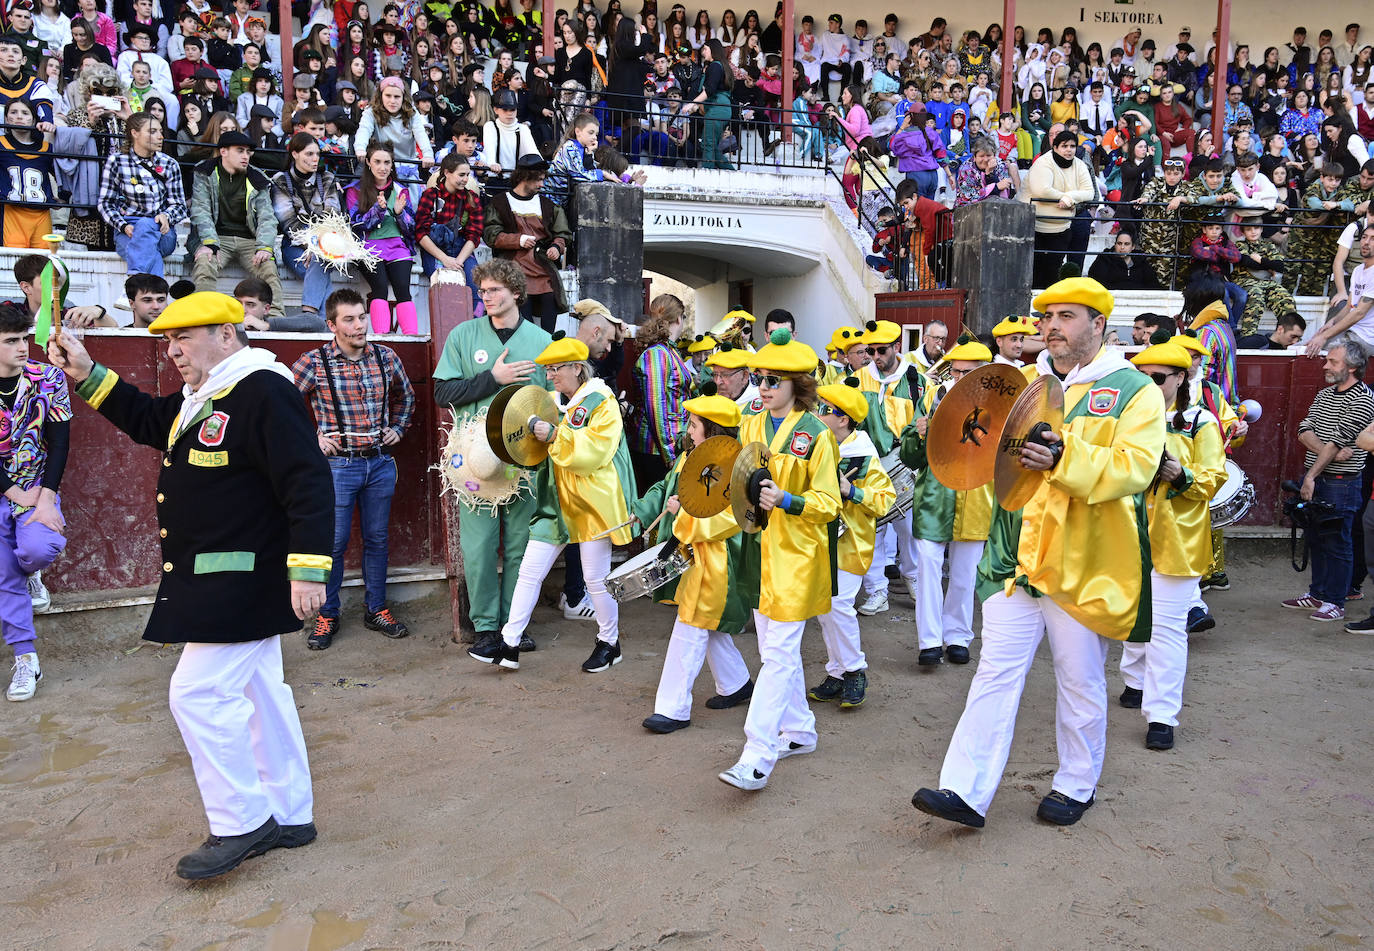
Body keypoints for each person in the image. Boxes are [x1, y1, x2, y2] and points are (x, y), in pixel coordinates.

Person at [46, 292, 331, 879]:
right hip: (222, 574)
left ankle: (241, 821)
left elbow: (307, 481)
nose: (172, 350)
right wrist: (87, 373)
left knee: (196, 695)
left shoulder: (263, 389)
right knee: (260, 696)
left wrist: (308, 570)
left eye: (184, 338)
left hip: (244, 578)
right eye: (167, 340)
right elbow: (152, 421)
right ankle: (289, 812)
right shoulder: (211, 391)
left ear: (226, 335)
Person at [911, 277, 1166, 829]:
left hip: (1083, 562)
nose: (1050, 325)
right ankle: (963, 789)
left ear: (1100, 324)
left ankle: (1076, 784)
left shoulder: (1134, 390)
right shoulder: (1025, 383)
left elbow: (1136, 469)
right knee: (994, 673)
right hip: (1014, 557)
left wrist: (1062, 456)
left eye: (1066, 316)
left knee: (1079, 679)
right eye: (1045, 315)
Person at [469, 331, 637, 673]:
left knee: (595, 579)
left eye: (555, 369)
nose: (549, 376)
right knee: (530, 571)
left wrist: (555, 435)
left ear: (577, 368)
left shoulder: (601, 402)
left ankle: (609, 641)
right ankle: (509, 643)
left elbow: (593, 453)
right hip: (557, 500)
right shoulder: (556, 401)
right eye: (547, 370)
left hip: (591, 502)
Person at [718, 328, 840, 792]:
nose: (764, 386)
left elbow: (830, 502)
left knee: (779, 655)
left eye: (774, 379)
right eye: (760, 377)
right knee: (774, 652)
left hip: (797, 557)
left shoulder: (817, 435)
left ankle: (757, 752)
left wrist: (789, 500)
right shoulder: (751, 422)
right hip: (758, 553)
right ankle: (802, 730)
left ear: (797, 384)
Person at [433, 259, 551, 656]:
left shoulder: (541, 342)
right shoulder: (464, 335)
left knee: (521, 545)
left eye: (495, 289)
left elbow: (553, 403)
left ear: (516, 292)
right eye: (482, 290)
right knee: (480, 547)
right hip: (474, 463)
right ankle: (485, 626)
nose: (487, 296)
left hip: (525, 461)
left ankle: (514, 624)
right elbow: (441, 393)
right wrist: (491, 380)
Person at [291, 288, 415, 650]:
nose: (360, 325)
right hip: (336, 467)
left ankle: (377, 609)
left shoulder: (386, 357)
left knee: (377, 540)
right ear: (332, 324)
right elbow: (281, 404)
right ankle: (327, 614)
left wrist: (399, 427)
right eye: (349, 319)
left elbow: (405, 397)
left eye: (362, 316)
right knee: (333, 543)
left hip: (378, 462)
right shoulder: (314, 362)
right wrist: (313, 436)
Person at [1121, 336, 1226, 751]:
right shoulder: (1128, 420)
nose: (1150, 385)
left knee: (1166, 629)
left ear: (1182, 378)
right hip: (1128, 531)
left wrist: (1181, 475)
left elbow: (1214, 476)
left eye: (1158, 378)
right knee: (1131, 613)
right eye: (1142, 378)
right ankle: (1133, 682)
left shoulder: (1201, 422)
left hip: (1177, 538)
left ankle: (1161, 714)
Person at [634, 381, 753, 732]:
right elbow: (679, 494)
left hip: (718, 560)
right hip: (699, 555)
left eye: (694, 425)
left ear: (713, 431)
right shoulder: (696, 458)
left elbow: (727, 519)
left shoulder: (735, 468)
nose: (688, 431)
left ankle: (673, 709)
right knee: (705, 625)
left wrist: (681, 515)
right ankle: (736, 683)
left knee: (690, 625)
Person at [901, 338, 997, 667]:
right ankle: (929, 641)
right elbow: (910, 457)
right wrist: (920, 434)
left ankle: (957, 636)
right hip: (934, 497)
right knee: (927, 564)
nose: (959, 379)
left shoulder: (1001, 408)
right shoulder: (931, 398)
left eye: (967, 373)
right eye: (955, 372)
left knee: (964, 574)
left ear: (983, 374)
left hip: (977, 499)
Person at [809, 377, 894, 709]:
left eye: (824, 409)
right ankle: (837, 671)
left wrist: (852, 491)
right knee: (825, 610)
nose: (817, 413)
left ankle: (856, 669)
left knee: (840, 606)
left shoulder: (863, 454)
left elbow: (885, 500)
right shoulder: (820, 445)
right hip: (820, 542)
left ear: (843, 418)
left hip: (850, 544)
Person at [0, 303, 69, 701]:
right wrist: (13, 493)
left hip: (37, 483)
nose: (23, 347)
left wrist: (46, 497)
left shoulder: (48, 377)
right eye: (11, 341)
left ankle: (33, 571)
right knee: (5, 572)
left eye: (24, 338)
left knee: (41, 548)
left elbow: (60, 441)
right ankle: (26, 659)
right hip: (6, 489)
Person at [1283, 335, 1374, 623]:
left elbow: (1342, 439)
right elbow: (1303, 428)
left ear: (1351, 367)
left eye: (1332, 361)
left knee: (1337, 541)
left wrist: (1311, 473)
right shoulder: (1325, 394)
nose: (1324, 365)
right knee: (1316, 537)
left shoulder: (1363, 398)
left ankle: (1335, 600)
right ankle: (1318, 594)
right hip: (1326, 475)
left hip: (1341, 482)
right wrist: (1329, 453)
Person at [854, 319, 922, 618]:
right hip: (870, 465)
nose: (875, 356)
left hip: (905, 464)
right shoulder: (857, 380)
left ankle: (914, 578)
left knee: (909, 529)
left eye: (881, 350)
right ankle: (876, 591)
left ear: (897, 347)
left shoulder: (917, 380)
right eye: (870, 350)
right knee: (873, 531)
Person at [189, 130, 287, 320]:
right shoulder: (205, 171)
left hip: (248, 240)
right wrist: (210, 243)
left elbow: (268, 217)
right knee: (205, 262)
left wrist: (264, 246)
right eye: (240, 151)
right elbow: (200, 211)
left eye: (248, 152)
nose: (246, 156)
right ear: (223, 151)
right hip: (218, 239)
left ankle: (276, 318)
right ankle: (204, 317)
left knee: (268, 267)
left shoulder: (257, 177)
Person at [483, 154, 571, 332]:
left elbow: (562, 233)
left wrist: (556, 246)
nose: (541, 185)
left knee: (550, 301)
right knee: (524, 312)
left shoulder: (548, 205)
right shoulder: (500, 202)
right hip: (514, 266)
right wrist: (518, 240)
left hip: (541, 265)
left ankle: (548, 348)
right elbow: (491, 235)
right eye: (538, 180)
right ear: (524, 178)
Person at [345, 143, 418, 335]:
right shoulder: (355, 190)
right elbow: (355, 225)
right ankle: (381, 339)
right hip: (368, 248)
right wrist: (377, 210)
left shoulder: (401, 190)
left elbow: (411, 229)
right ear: (368, 162)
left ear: (393, 164)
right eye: (377, 161)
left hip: (397, 246)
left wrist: (399, 214)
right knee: (380, 289)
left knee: (403, 290)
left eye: (387, 162)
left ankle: (412, 338)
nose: (382, 167)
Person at [270, 132, 342, 320]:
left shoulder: (327, 178)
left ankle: (310, 315)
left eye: (317, 154)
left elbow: (333, 216)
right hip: (294, 247)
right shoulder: (280, 180)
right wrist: (311, 245)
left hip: (328, 246)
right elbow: (288, 222)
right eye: (309, 154)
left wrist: (318, 246)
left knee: (320, 259)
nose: (315, 159)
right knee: (321, 266)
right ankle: (324, 323)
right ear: (294, 154)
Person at [629, 293, 692, 487]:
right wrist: (669, 453)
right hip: (657, 450)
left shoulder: (667, 350)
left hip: (666, 444)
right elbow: (656, 406)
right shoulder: (657, 353)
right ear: (679, 318)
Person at [1027, 130, 1095, 288]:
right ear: (1055, 147)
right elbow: (1042, 190)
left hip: (1062, 227)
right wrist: (1067, 197)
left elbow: (1089, 192)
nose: (1069, 149)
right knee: (1036, 268)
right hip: (1036, 225)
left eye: (1072, 146)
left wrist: (1069, 199)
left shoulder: (1079, 164)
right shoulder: (1044, 162)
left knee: (1053, 267)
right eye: (1064, 146)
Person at [415, 150, 483, 298]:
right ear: (447, 173)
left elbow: (474, 235)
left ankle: (475, 320)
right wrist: (445, 259)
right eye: (461, 175)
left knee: (476, 288)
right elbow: (421, 233)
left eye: (467, 175)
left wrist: (458, 261)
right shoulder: (431, 195)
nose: (465, 179)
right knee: (444, 290)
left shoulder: (472, 198)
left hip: (461, 249)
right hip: (435, 249)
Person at [1232, 222, 1298, 338]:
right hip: (1245, 281)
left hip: (1267, 282)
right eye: (1248, 229)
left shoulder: (1268, 246)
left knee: (1286, 300)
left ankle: (1284, 337)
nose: (1253, 231)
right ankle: (1248, 337)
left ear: (1261, 229)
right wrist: (1269, 266)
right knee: (1256, 297)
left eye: (1256, 228)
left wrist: (1260, 260)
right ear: (1243, 232)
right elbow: (1247, 262)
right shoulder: (1239, 245)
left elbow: (1280, 266)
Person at [1087, 231, 1160, 290]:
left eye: (1126, 244)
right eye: (1119, 243)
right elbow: (1095, 283)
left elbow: (1153, 285)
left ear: (1133, 247)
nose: (1122, 247)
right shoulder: (1105, 258)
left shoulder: (1141, 260)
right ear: (1115, 245)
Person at [1238, 312, 1306, 350]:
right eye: (1293, 336)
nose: (1295, 342)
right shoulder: (1257, 342)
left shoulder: (1292, 352)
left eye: (1299, 338)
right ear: (1280, 329)